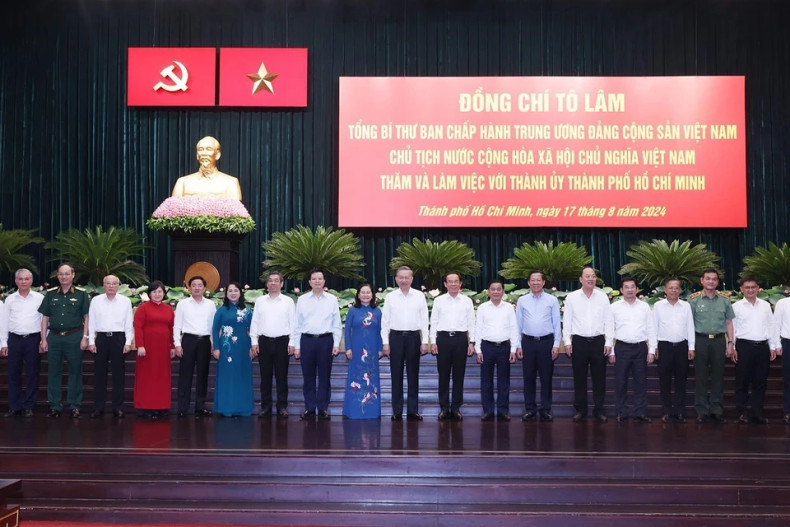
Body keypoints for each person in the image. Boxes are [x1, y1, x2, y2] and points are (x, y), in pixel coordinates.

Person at [562, 265, 614, 423]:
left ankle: (599, 409)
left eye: (593, 276)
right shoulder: (572, 297)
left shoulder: (603, 297)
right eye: (587, 276)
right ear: (580, 279)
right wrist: (567, 341)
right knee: (579, 378)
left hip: (598, 341)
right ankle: (581, 410)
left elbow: (609, 320)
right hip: (579, 341)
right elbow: (568, 320)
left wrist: (609, 341)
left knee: (599, 378)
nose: (591, 279)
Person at [38, 264, 90, 419]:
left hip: (74, 337)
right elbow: (45, 318)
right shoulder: (50, 294)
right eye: (61, 274)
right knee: (54, 372)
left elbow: (87, 318)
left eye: (67, 274)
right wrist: (43, 339)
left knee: (75, 372)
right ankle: (55, 406)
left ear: (73, 275)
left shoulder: (81, 294)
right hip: (53, 337)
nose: (64, 277)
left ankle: (74, 405)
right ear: (57, 276)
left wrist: (85, 337)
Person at [380, 266, 429, 421]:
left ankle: (413, 411)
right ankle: (397, 411)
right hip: (396, 338)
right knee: (396, 375)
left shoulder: (419, 296)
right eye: (400, 277)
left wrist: (425, 341)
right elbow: (385, 321)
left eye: (406, 277)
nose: (403, 280)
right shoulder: (390, 297)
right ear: (396, 279)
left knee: (413, 375)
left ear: (412, 279)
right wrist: (386, 343)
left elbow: (424, 320)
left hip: (414, 338)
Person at [293, 268, 342, 420]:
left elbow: (336, 323)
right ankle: (309, 407)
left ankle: (322, 408)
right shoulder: (302, 300)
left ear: (324, 281)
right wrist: (297, 346)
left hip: (325, 341)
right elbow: (297, 324)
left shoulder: (332, 299)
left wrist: (336, 343)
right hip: (306, 341)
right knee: (308, 376)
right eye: (314, 279)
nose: (317, 281)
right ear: (309, 282)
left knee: (324, 376)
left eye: (320, 278)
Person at [689, 267, 734, 424]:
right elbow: (688, 324)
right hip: (700, 340)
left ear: (717, 282)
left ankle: (716, 410)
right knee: (701, 377)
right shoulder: (693, 300)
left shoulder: (725, 300)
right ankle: (702, 411)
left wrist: (730, 343)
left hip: (719, 341)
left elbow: (729, 323)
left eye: (714, 279)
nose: (711, 281)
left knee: (717, 377)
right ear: (702, 280)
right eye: (708, 278)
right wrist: (691, 346)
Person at [731, 276, 779, 424]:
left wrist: (772, 346)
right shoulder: (736, 307)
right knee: (742, 381)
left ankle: (757, 413)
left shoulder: (765, 305)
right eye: (747, 287)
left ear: (758, 288)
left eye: (753, 287)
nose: (751, 290)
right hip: (744, 347)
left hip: (762, 347)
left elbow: (771, 326)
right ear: (741, 289)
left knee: (760, 382)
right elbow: (732, 328)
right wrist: (732, 347)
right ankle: (742, 412)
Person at [609, 276, 656, 423]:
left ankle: (639, 413)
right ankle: (621, 412)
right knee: (620, 382)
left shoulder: (644, 307)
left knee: (641, 382)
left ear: (637, 289)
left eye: (632, 287)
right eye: (626, 287)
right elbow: (610, 329)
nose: (630, 290)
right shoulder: (614, 307)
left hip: (640, 348)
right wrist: (611, 351)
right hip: (621, 347)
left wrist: (652, 350)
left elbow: (651, 328)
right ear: (621, 290)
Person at [515, 271, 561, 423]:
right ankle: (530, 409)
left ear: (543, 282)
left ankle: (546, 410)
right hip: (527, 343)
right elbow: (518, 324)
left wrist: (556, 345)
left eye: (538, 280)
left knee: (546, 378)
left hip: (546, 343)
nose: (535, 283)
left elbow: (556, 324)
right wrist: (518, 345)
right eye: (532, 280)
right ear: (528, 283)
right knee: (529, 378)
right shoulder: (522, 300)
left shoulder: (552, 300)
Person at [87, 275, 134, 419]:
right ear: (103, 285)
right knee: (99, 374)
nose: (111, 286)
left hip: (118, 339)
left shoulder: (125, 301)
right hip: (101, 338)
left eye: (114, 283)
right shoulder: (96, 300)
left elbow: (128, 323)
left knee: (118, 375)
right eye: (108, 283)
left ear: (118, 285)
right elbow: (92, 321)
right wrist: (91, 342)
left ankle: (117, 408)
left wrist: (127, 342)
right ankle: (98, 408)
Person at [430, 272, 476, 421]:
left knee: (458, 375)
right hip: (443, 339)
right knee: (443, 375)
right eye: (450, 281)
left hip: (460, 339)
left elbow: (471, 322)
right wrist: (433, 341)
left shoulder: (467, 301)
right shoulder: (439, 300)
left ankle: (456, 408)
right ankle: (444, 408)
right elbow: (434, 322)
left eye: (456, 281)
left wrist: (472, 342)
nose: (453, 284)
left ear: (460, 283)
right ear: (445, 284)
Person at [250, 271, 296, 419]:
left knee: (282, 377)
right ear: (267, 284)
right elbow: (255, 322)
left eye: (277, 281)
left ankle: (282, 407)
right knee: (265, 377)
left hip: (282, 342)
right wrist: (254, 342)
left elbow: (293, 324)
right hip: (264, 341)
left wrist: (292, 342)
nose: (273, 283)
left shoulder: (288, 301)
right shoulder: (260, 301)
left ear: (281, 284)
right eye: (270, 281)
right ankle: (266, 407)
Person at [0, 269, 44, 418]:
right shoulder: (10, 299)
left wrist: (44, 340)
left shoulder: (39, 298)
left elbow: (45, 320)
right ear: (16, 281)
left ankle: (29, 406)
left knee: (32, 374)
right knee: (13, 374)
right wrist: (3, 343)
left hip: (33, 340)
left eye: (26, 279)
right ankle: (14, 406)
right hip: (14, 340)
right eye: (20, 279)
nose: (23, 282)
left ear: (31, 281)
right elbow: (4, 322)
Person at [653, 277, 696, 423]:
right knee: (664, 382)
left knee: (681, 381)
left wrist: (691, 347)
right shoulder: (658, 306)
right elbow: (653, 328)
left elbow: (690, 326)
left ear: (680, 290)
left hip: (682, 347)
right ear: (665, 290)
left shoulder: (686, 306)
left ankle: (679, 412)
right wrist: (654, 347)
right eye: (670, 288)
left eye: (676, 288)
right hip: (664, 347)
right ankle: (666, 412)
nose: (673, 290)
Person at [476, 280, 519, 422]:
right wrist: (478, 350)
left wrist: (513, 349)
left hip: (504, 347)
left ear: (503, 291)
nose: (495, 292)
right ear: (488, 291)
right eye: (492, 289)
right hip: (487, 347)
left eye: (498, 289)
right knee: (486, 382)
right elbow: (478, 329)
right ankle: (488, 411)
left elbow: (514, 328)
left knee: (503, 382)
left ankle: (503, 411)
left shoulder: (508, 308)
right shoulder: (482, 308)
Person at [173, 275, 216, 418]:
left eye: (200, 285)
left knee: (203, 375)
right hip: (188, 340)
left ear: (204, 288)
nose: (197, 288)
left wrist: (213, 343)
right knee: (185, 375)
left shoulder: (211, 304)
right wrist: (177, 344)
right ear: (189, 288)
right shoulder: (182, 304)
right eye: (194, 285)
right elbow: (177, 325)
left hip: (204, 341)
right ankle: (183, 407)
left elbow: (213, 327)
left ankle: (200, 406)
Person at [133, 280, 175, 419]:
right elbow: (137, 328)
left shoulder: (169, 309)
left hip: (163, 348)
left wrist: (172, 345)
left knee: (162, 377)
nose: (157, 294)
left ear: (164, 293)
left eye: (160, 292)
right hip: (147, 348)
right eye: (154, 292)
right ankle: (145, 407)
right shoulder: (142, 308)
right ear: (149, 293)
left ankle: (161, 407)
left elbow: (171, 329)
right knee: (146, 376)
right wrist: (140, 345)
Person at [211, 282, 254, 417]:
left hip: (243, 347)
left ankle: (243, 408)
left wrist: (253, 346)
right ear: (226, 293)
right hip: (226, 348)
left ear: (240, 293)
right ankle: (226, 408)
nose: (233, 293)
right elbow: (214, 329)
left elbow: (253, 330)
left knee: (242, 376)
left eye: (236, 290)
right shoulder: (221, 310)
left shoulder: (247, 310)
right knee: (227, 377)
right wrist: (216, 347)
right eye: (230, 291)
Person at [343, 283, 383, 419]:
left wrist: (380, 348)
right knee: (355, 378)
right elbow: (347, 330)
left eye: (368, 292)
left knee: (371, 378)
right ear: (358, 295)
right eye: (363, 292)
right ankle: (353, 411)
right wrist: (348, 348)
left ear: (372, 295)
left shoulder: (377, 311)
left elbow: (380, 332)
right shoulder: (352, 311)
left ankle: (372, 411)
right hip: (356, 349)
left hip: (372, 350)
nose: (365, 295)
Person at [171, 136, 242, 199]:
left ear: (217, 155)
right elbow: (173, 210)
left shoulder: (231, 182)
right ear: (197, 155)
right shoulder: (182, 182)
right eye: (201, 149)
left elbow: (236, 211)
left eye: (209, 149)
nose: (204, 153)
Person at [773, 290, 790, 425]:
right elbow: (776, 324)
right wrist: (777, 344)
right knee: (788, 380)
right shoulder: (782, 303)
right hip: (787, 342)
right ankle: (788, 412)